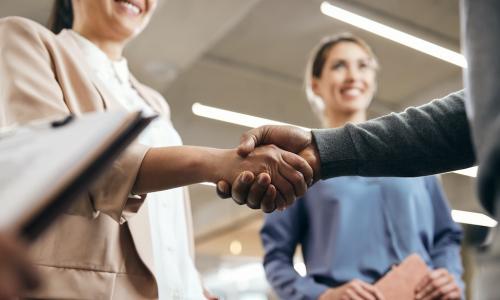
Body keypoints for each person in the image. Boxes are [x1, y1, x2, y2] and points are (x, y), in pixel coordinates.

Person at [0, 0, 312, 298]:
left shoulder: (154, 103)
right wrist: (217, 162)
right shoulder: (27, 40)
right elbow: (60, 164)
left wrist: (190, 279)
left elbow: (164, 220)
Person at [260, 34, 464, 300]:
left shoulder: (412, 155)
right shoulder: (298, 165)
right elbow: (276, 259)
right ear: (316, 85)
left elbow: (445, 236)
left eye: (363, 66)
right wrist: (322, 295)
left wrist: (450, 277)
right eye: (339, 66)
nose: (353, 76)